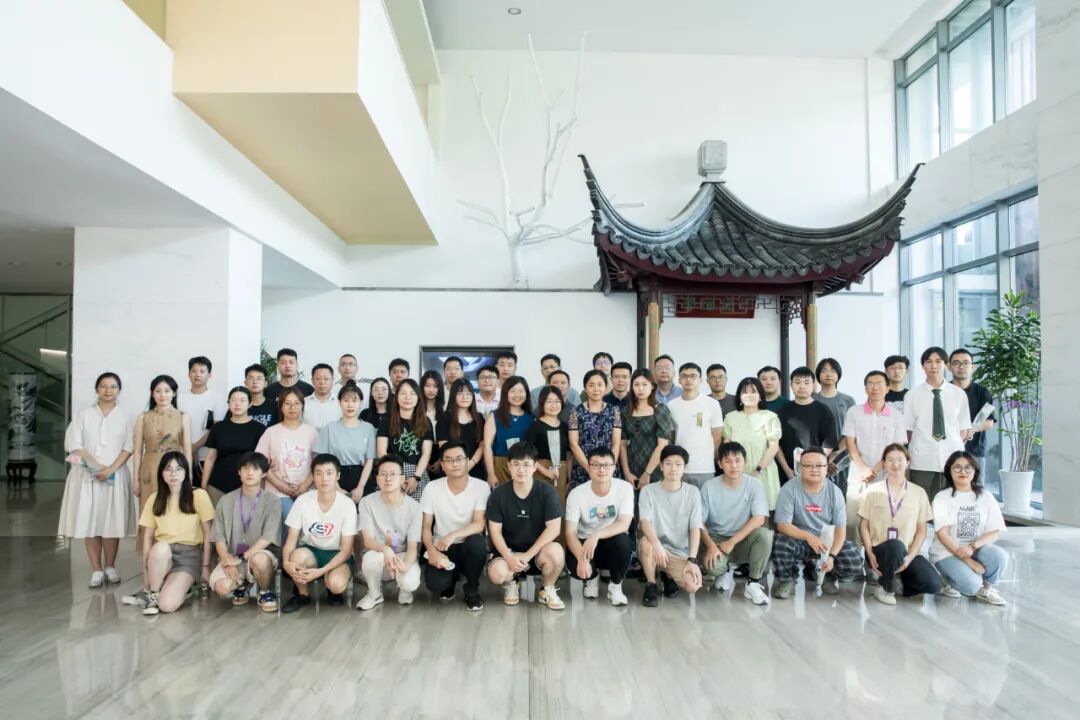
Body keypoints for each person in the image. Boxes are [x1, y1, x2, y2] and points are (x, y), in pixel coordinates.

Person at [58, 372, 135, 588]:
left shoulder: (127, 416)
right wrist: (97, 468)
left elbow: (129, 447)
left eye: (113, 386)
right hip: (87, 476)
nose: (108, 390)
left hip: (115, 475)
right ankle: (96, 570)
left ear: (119, 390)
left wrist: (110, 469)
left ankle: (110, 566)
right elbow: (73, 444)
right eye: (103, 386)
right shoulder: (83, 414)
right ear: (97, 389)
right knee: (90, 521)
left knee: (111, 521)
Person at [771, 447, 862, 599]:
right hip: (799, 538)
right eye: (808, 465)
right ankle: (787, 580)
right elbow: (782, 525)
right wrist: (808, 537)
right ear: (800, 467)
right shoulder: (789, 489)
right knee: (781, 543)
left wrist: (832, 556)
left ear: (827, 468)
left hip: (826, 541)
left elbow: (840, 530)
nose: (814, 469)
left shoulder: (835, 492)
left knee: (853, 561)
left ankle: (828, 575)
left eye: (819, 465)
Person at [485, 442, 565, 610]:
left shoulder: (548, 493)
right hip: (508, 553)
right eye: (516, 464)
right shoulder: (498, 495)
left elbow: (554, 529)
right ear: (509, 466)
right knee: (497, 573)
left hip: (538, 552)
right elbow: (495, 531)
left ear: (535, 467)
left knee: (556, 553)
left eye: (526, 465)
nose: (521, 470)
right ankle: (512, 582)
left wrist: (528, 555)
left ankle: (547, 589)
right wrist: (508, 556)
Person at [857, 444, 940, 605]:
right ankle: (886, 588)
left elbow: (922, 531)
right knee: (894, 545)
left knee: (933, 584)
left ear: (907, 463)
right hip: (879, 551)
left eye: (900, 460)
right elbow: (863, 526)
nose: (895, 464)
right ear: (884, 464)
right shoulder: (872, 491)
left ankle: (900, 584)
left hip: (906, 552)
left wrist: (910, 558)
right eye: (890, 460)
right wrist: (869, 551)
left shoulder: (919, 492)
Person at [137, 452, 215, 615]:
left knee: (167, 606)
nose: (173, 474)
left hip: (188, 556)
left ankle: (179, 589)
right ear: (161, 473)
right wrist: (146, 576)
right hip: (162, 555)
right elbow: (147, 538)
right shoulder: (154, 499)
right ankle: (152, 594)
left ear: (186, 472)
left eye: (178, 469)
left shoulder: (199, 495)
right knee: (161, 548)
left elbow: (209, 533)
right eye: (168, 469)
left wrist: (205, 567)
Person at [280, 453, 357, 613]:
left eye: (329, 473)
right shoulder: (303, 500)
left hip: (337, 554)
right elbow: (291, 540)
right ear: (313, 477)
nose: (324, 478)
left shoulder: (347, 504)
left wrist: (320, 572)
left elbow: (346, 550)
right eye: (319, 473)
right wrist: (286, 563)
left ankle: (331, 586)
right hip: (312, 551)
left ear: (338, 476)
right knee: (296, 558)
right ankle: (302, 594)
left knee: (336, 585)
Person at [699, 442, 773, 605]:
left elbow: (759, 519)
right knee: (713, 567)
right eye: (728, 461)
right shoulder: (709, 487)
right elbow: (699, 522)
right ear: (720, 464)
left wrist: (732, 541)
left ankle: (753, 583)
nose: (733, 466)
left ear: (745, 462)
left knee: (765, 535)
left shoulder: (755, 485)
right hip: (718, 541)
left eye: (738, 460)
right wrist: (711, 546)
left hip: (743, 539)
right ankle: (724, 571)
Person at [420, 442, 491, 611]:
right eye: (449, 460)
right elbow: (426, 526)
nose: (455, 464)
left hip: (468, 545)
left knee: (477, 543)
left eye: (459, 459)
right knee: (435, 584)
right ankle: (450, 582)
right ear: (442, 465)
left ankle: (472, 589)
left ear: (467, 461)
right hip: (442, 546)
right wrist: (431, 550)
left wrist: (453, 535)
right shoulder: (432, 488)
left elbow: (479, 524)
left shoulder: (481, 487)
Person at [930, 451, 1007, 605]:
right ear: (949, 471)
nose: (963, 472)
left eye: (968, 468)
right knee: (971, 587)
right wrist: (970, 562)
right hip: (947, 553)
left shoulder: (986, 496)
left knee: (998, 555)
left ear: (975, 471)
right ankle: (947, 579)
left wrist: (973, 547)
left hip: (975, 550)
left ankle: (987, 589)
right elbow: (943, 535)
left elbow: (994, 532)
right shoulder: (942, 497)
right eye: (957, 467)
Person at [842, 371, 908, 550]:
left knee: (880, 522)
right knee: (852, 521)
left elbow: (897, 448)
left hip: (886, 476)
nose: (875, 387)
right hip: (858, 475)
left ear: (887, 388)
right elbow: (850, 444)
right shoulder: (854, 412)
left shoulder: (896, 415)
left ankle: (875, 560)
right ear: (865, 388)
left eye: (879, 383)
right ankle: (854, 558)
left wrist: (875, 469)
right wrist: (863, 469)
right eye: (870, 383)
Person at [208, 451, 282, 612]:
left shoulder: (272, 501)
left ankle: (264, 592)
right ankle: (242, 586)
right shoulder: (226, 500)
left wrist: (241, 559)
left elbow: (268, 537)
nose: (249, 473)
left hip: (259, 556)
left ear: (264, 474)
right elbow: (218, 536)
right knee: (222, 589)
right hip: (232, 557)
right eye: (245, 468)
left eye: (255, 469)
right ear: (239, 472)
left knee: (260, 560)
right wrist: (226, 559)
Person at [564, 446, 633, 606]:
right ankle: (592, 578)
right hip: (584, 543)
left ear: (614, 467)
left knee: (623, 542)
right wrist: (582, 558)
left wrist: (596, 535)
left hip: (611, 541)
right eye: (596, 465)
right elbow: (570, 533)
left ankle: (615, 586)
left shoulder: (625, 488)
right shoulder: (576, 494)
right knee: (574, 565)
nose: (601, 470)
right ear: (588, 467)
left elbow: (624, 524)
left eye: (606, 465)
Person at [637, 445, 704, 606]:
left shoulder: (693, 492)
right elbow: (645, 522)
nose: (673, 468)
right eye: (668, 463)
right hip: (655, 548)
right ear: (661, 466)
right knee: (646, 543)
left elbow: (695, 528)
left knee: (693, 586)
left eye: (678, 464)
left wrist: (692, 560)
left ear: (684, 467)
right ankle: (651, 583)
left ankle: (668, 575)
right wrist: (656, 544)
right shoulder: (648, 491)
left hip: (680, 552)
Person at [132, 375, 192, 551]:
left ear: (174, 393)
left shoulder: (183, 417)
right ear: (152, 394)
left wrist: (189, 476)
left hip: (175, 469)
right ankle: (149, 556)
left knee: (174, 509)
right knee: (150, 511)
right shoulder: (143, 417)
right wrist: (135, 480)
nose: (163, 395)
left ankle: (174, 554)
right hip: (150, 469)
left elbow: (187, 450)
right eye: (158, 391)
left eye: (167, 391)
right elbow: (137, 452)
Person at [356, 454, 423, 609]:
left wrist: (404, 567)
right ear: (377, 479)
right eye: (383, 474)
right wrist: (386, 549)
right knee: (370, 558)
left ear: (402, 479)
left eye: (393, 474)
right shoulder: (366, 502)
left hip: (402, 556)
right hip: (379, 554)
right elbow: (368, 541)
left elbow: (413, 548)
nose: (387, 479)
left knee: (410, 582)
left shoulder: (414, 507)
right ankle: (374, 593)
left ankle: (405, 591)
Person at [904, 347, 972, 496]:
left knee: (952, 502)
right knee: (922, 503)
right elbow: (908, 430)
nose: (933, 366)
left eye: (938, 361)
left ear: (946, 365)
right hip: (922, 460)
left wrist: (950, 445)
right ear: (923, 366)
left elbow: (963, 429)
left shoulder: (959, 394)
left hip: (953, 460)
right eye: (928, 361)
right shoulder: (912, 395)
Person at [254, 386, 317, 537]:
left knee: (305, 530)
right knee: (288, 525)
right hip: (277, 491)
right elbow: (261, 463)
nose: (292, 407)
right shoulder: (271, 432)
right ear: (281, 407)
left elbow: (318, 465)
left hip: (306, 490)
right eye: (287, 403)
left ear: (302, 406)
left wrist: (304, 486)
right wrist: (281, 486)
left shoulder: (312, 432)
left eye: (296, 403)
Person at [722, 377, 782, 510]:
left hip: (763, 471)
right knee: (738, 510)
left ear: (760, 396)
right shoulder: (730, 417)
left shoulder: (769, 417)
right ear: (739, 396)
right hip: (737, 471)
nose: (749, 395)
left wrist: (758, 470)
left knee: (763, 511)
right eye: (745, 392)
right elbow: (726, 447)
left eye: (753, 391)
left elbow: (773, 447)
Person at [201, 386, 266, 506]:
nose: (237, 404)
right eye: (233, 400)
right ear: (228, 403)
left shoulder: (259, 429)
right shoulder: (218, 427)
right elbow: (210, 458)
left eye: (242, 400)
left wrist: (262, 486)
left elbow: (262, 461)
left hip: (248, 485)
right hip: (217, 485)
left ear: (250, 404)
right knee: (217, 517)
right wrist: (204, 485)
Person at [776, 367, 837, 487]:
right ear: (791, 385)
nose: (802, 386)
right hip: (787, 472)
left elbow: (829, 444)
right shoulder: (782, 411)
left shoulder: (823, 410)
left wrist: (813, 464)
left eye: (806, 382)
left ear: (813, 385)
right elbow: (776, 445)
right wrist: (787, 469)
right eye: (797, 382)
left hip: (815, 472)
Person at [315, 381, 377, 500]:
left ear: (361, 403)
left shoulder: (368, 428)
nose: (350, 405)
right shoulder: (329, 428)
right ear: (339, 402)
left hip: (362, 479)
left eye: (354, 401)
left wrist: (360, 487)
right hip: (334, 478)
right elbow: (322, 460)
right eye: (346, 400)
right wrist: (336, 488)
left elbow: (370, 460)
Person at [666, 362, 724, 488]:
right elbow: (670, 437)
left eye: (693, 376)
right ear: (679, 380)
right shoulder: (671, 405)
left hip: (704, 467)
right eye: (684, 376)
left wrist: (713, 459)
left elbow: (717, 437)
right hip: (679, 467)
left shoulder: (712, 403)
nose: (688, 379)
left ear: (700, 380)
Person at [376, 378, 434, 501]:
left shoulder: (425, 421)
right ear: (396, 397)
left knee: (419, 509)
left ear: (418, 398)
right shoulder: (386, 420)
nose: (408, 397)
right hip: (391, 471)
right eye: (403, 393)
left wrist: (416, 478)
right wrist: (396, 476)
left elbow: (426, 454)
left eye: (412, 393)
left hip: (417, 472)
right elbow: (381, 452)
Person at [568, 370, 623, 491]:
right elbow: (573, 444)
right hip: (583, 468)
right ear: (585, 388)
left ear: (605, 387)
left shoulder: (614, 410)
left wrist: (609, 466)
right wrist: (590, 468)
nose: (596, 389)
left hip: (608, 469)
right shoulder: (576, 412)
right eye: (591, 385)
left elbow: (616, 442)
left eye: (600, 384)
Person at [620, 369, 674, 489]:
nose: (640, 389)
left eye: (645, 384)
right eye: (636, 384)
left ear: (652, 386)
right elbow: (622, 444)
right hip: (632, 468)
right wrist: (626, 472)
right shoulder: (625, 412)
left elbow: (662, 445)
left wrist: (647, 473)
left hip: (656, 468)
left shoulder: (660, 410)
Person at [178, 356, 227, 489]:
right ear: (189, 374)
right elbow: (175, 427)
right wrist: (188, 449)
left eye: (202, 371)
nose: (198, 374)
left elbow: (216, 427)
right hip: (182, 454)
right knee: (184, 493)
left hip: (207, 456)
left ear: (209, 375)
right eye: (194, 371)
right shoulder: (179, 398)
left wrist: (195, 447)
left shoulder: (217, 398)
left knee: (205, 493)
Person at [524, 386, 572, 505]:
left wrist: (569, 478)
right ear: (542, 403)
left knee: (559, 506)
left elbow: (569, 454)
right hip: (540, 473)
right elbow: (528, 454)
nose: (553, 405)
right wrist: (545, 471)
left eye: (557, 401)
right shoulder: (535, 426)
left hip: (561, 474)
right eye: (549, 401)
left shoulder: (565, 427)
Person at [484, 376, 534, 486]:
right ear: (505, 394)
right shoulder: (495, 416)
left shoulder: (532, 418)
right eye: (512, 391)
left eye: (521, 391)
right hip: (500, 466)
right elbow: (487, 446)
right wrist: (491, 473)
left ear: (526, 393)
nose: (517, 395)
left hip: (524, 468)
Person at [949, 348, 996, 464]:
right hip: (947, 450)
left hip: (975, 452)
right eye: (956, 363)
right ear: (949, 367)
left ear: (972, 367)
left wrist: (968, 430)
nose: (961, 367)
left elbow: (989, 422)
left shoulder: (982, 392)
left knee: (976, 477)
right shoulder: (943, 391)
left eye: (966, 363)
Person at [437, 378, 487, 482]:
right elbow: (443, 446)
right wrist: (459, 467)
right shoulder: (444, 418)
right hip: (452, 469)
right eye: (460, 393)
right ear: (453, 395)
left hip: (475, 469)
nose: (465, 397)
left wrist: (470, 464)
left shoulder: (479, 418)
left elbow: (482, 445)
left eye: (468, 394)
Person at [420, 370, 446, 478]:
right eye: (428, 386)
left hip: (440, 454)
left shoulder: (445, 412)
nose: (431, 390)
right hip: (419, 454)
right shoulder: (416, 411)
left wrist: (440, 460)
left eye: (435, 386)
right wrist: (423, 461)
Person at [303, 363, 343, 430]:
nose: (322, 382)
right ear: (312, 381)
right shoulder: (302, 403)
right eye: (318, 379)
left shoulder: (341, 404)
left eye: (326, 378)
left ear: (332, 380)